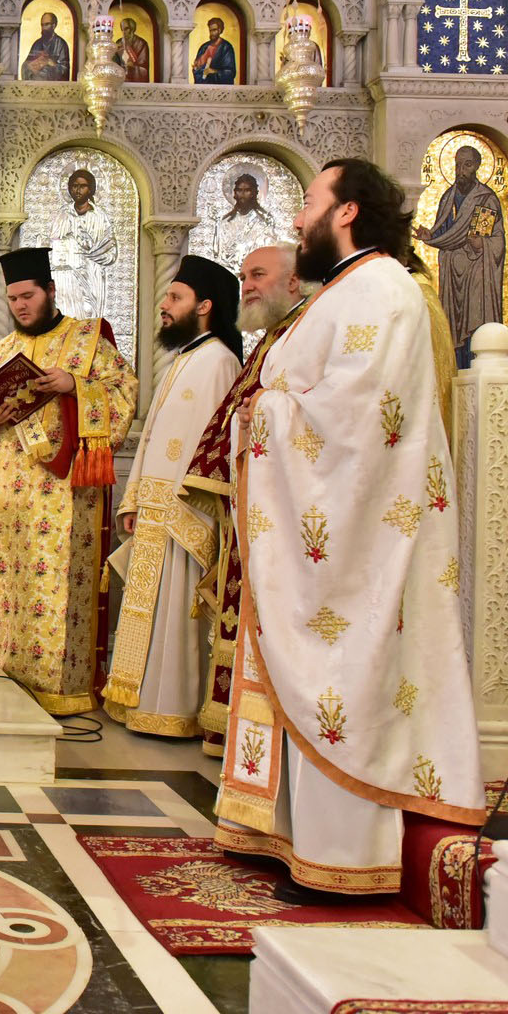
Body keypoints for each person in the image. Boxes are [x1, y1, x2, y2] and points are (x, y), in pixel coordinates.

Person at [216, 158, 484, 899]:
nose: (297, 217)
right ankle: (294, 838)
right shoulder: (345, 291)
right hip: (326, 520)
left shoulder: (379, 289)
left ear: (346, 211)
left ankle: (345, 856)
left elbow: (355, 420)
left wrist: (263, 412)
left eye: (309, 201)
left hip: (356, 532)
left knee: (344, 671)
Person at [0, 247, 135, 712]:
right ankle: (2, 675)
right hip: (6, 492)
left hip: (63, 492)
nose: (20, 306)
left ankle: (59, 689)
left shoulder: (87, 342)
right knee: (3, 583)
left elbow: (124, 393)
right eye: (13, 299)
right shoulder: (1, 351)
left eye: (28, 296)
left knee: (55, 584)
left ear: (50, 291)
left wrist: (74, 385)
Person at [104, 256, 242, 738]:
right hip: (155, 510)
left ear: (204, 306)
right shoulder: (184, 358)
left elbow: (217, 447)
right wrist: (134, 501)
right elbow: (151, 440)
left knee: (176, 615)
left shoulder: (221, 361)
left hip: (186, 512)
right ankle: (139, 704)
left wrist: (191, 509)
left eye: (175, 297)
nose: (164, 305)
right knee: (148, 610)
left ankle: (174, 710)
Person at [183, 244, 310, 756]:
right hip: (255, 499)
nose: (247, 286)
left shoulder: (305, 334)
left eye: (258, 274)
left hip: (288, 510)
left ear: (294, 282)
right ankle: (237, 736)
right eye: (243, 277)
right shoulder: (273, 339)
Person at [413, 144, 504, 365]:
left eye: (467, 165)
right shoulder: (448, 197)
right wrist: (430, 235)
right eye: (457, 165)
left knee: (474, 321)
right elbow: (443, 231)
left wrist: (481, 244)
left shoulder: (485, 198)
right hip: (451, 272)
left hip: (476, 272)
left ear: (477, 167)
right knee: (452, 324)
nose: (461, 170)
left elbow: (487, 238)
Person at [47, 168, 116, 320]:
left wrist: (90, 249)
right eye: (74, 186)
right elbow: (53, 244)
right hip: (67, 277)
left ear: (90, 189)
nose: (78, 190)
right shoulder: (62, 215)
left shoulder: (99, 217)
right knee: (67, 317)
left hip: (91, 273)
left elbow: (109, 250)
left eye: (82, 186)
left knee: (89, 314)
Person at [212, 172, 282, 267]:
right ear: (235, 193)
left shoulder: (264, 222)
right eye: (239, 190)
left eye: (247, 190)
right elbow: (218, 255)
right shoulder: (224, 222)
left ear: (254, 193)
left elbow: (269, 253)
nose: (243, 194)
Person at [21, 12, 71, 81]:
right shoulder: (37, 44)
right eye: (42, 25)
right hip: (36, 83)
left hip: (54, 85)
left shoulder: (61, 44)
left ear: (53, 25)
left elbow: (64, 69)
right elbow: (26, 66)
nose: (44, 28)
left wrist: (50, 63)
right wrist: (32, 65)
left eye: (47, 24)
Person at [192, 16, 237, 84]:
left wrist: (213, 71)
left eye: (214, 30)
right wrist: (196, 68)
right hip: (203, 86)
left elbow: (230, 73)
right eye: (210, 30)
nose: (212, 33)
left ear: (220, 30)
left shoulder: (226, 47)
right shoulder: (204, 47)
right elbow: (197, 69)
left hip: (220, 87)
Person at [116, 16, 152, 82]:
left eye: (126, 29)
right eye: (122, 29)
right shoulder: (119, 42)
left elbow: (144, 68)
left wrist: (133, 66)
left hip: (136, 81)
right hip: (121, 79)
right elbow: (115, 63)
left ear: (132, 29)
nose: (124, 32)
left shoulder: (141, 43)